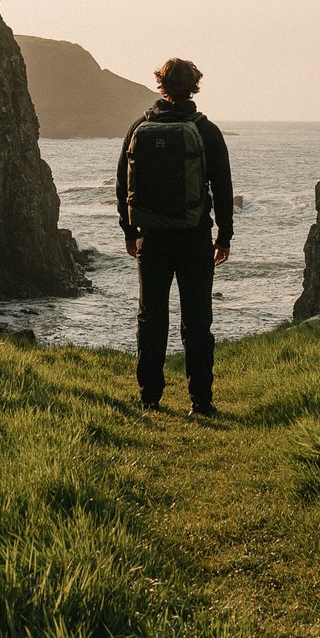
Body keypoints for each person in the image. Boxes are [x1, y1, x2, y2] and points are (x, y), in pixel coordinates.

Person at [116, 57, 232, 416]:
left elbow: (124, 183)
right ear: (194, 85)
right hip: (194, 236)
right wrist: (224, 236)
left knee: (151, 318)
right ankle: (201, 401)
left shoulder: (140, 126)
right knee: (197, 320)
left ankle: (150, 397)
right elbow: (223, 186)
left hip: (152, 238)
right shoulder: (206, 130)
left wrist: (129, 231)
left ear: (161, 84)